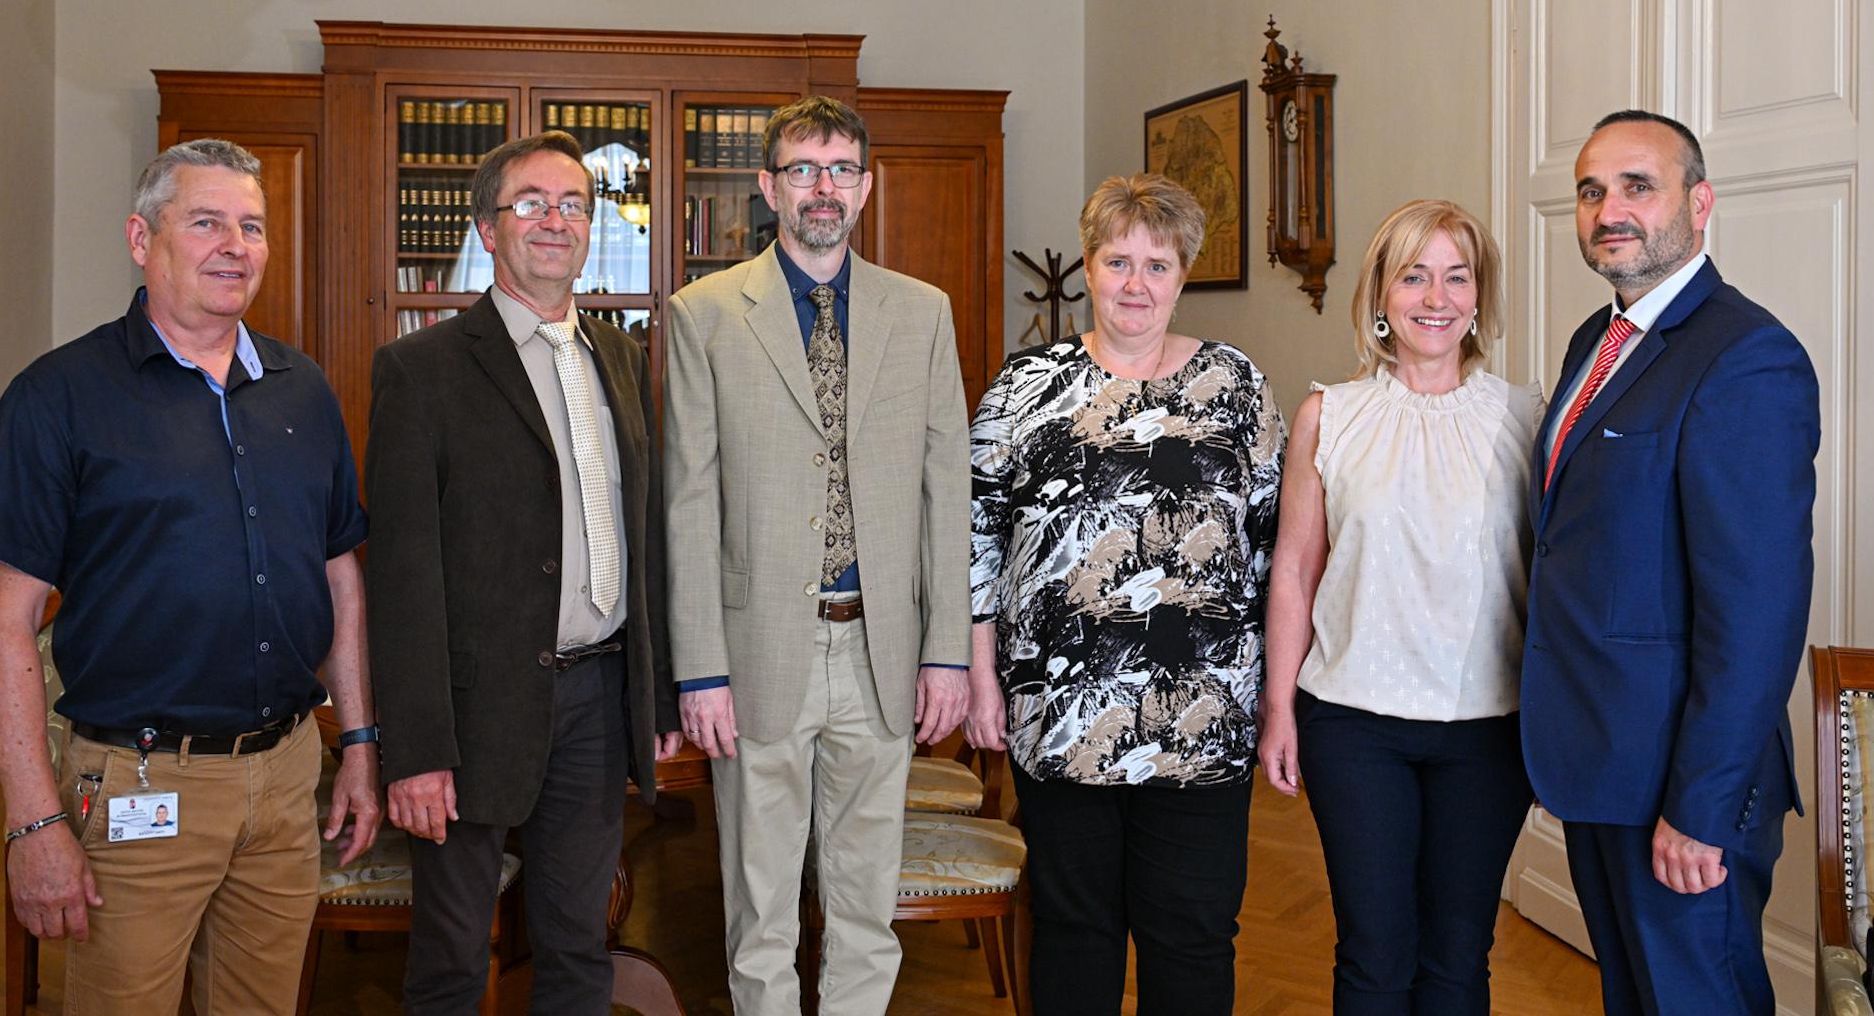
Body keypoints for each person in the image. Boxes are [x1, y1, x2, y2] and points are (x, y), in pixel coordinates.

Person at [0, 138, 378, 1013]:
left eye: (252, 226)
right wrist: (35, 823)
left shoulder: (304, 392)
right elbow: (3, 623)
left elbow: (339, 578)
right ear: (141, 239)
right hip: (142, 784)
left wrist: (360, 745)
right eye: (206, 222)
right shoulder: (58, 396)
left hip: (286, 775)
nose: (237, 244)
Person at [666, 95, 972, 1015]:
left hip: (881, 650)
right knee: (759, 911)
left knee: (865, 907)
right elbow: (685, 501)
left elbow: (945, 490)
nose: (823, 188)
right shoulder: (706, 314)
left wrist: (948, 650)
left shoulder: (921, 313)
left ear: (868, 186)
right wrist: (699, 670)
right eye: (803, 169)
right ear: (769, 187)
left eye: (841, 169)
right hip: (758, 651)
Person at [364, 130, 680, 1014]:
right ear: (488, 229)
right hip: (471, 712)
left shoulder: (619, 357)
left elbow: (642, 535)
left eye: (574, 204)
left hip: (597, 699)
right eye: (531, 203)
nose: (556, 220)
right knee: (453, 960)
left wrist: (650, 698)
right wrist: (417, 749)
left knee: (579, 949)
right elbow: (402, 575)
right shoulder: (420, 371)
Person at [965, 173, 1283, 1016]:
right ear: (1091, 264)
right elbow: (975, 538)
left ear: (1183, 275)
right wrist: (981, 675)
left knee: (1193, 933)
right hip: (1061, 708)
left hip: (1204, 717)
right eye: (1117, 261)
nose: (1135, 283)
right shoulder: (1024, 386)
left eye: (1157, 263)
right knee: (1075, 930)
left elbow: (1274, 543)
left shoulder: (1236, 385)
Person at [1524, 110, 1818, 1015]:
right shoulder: (1595, 341)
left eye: (1636, 186)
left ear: (1700, 203)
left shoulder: (1746, 356)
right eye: (1590, 190)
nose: (1609, 208)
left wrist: (1700, 803)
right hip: (1601, 760)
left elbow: (1758, 613)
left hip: (1681, 785)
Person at [1257, 199, 1540, 1014]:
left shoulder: (1525, 416)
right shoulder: (1328, 416)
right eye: (1414, 274)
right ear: (1380, 293)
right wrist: (1279, 709)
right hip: (1354, 722)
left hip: (1488, 727)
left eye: (1457, 275)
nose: (1435, 296)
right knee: (1375, 956)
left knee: (1458, 959)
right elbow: (1294, 570)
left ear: (1479, 295)